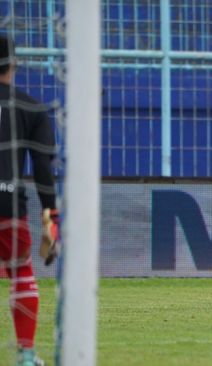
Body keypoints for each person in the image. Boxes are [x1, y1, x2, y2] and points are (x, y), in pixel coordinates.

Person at [0, 35, 59, 366]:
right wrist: (52, 219)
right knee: (21, 271)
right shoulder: (30, 107)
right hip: (7, 204)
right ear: (14, 64)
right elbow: (41, 170)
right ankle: (24, 354)